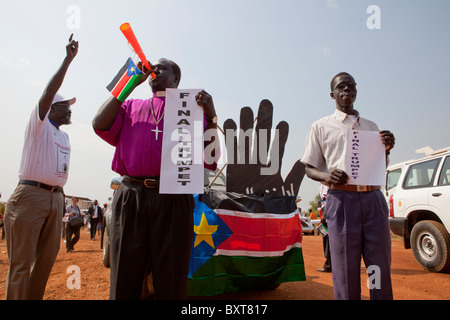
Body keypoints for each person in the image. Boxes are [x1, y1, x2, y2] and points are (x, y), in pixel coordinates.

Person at [92, 58, 219, 300]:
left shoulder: (190, 111)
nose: (155, 70)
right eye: (154, 67)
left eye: (163, 68)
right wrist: (128, 85)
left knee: (170, 279)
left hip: (173, 200)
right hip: (132, 196)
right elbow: (99, 124)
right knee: (124, 276)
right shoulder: (130, 106)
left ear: (176, 80)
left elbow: (210, 158)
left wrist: (211, 117)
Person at [301, 72, 395, 300]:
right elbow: (307, 167)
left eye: (350, 86)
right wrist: (327, 175)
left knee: (378, 264)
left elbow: (379, 165)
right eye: (341, 87)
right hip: (341, 201)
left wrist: (387, 149)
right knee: (345, 268)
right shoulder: (320, 127)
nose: (346, 90)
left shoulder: (372, 127)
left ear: (356, 90)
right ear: (332, 94)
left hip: (373, 200)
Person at [3, 35, 78, 300]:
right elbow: (48, 93)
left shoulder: (64, 136)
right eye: (64, 105)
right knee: (22, 264)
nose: (69, 110)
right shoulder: (38, 125)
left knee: (45, 264)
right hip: (30, 197)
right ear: (50, 108)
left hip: (56, 199)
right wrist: (67, 61)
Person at [317, 184, 331, 273]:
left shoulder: (327, 183)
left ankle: (329, 265)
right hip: (323, 214)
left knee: (327, 239)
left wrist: (324, 215)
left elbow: (327, 198)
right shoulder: (321, 185)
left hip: (328, 213)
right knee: (325, 237)